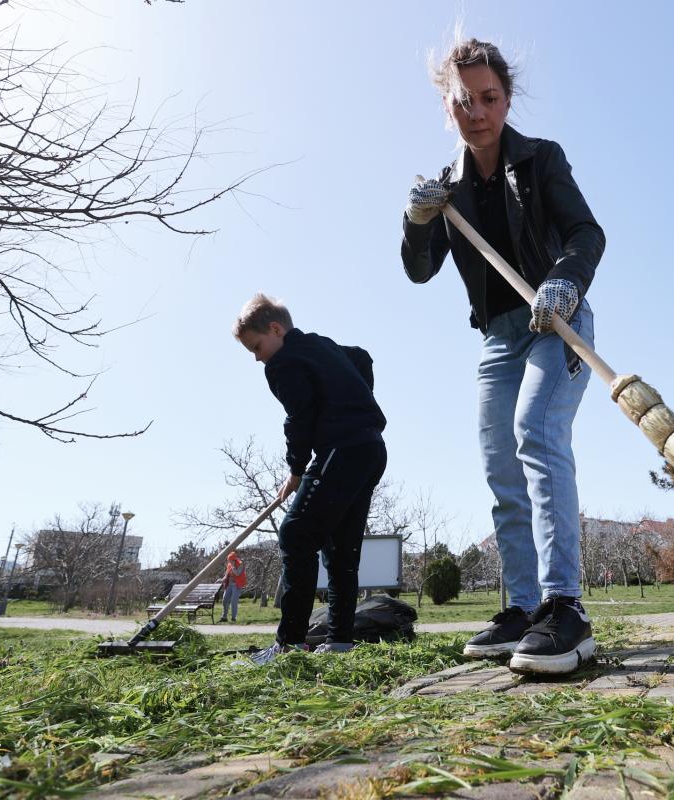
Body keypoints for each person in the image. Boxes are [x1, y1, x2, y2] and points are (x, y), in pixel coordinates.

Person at [401, 38, 603, 675]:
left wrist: (566, 279)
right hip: (497, 337)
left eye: (490, 98)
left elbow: (585, 232)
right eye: (464, 101)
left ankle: (564, 609)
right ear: (448, 107)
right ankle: (520, 609)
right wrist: (417, 219)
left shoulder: (541, 160)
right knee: (500, 466)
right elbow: (419, 269)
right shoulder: (446, 191)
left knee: (536, 434)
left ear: (507, 99)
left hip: (557, 321)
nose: (478, 112)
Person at [233, 293, 387, 663]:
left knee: (295, 534)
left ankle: (289, 644)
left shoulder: (283, 362)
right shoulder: (322, 345)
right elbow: (362, 357)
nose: (257, 358)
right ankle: (339, 640)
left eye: (256, 347)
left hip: (342, 448)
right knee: (340, 550)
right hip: (371, 448)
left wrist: (297, 469)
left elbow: (297, 417)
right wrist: (358, 399)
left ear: (275, 329)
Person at [220, 551, 247, 622]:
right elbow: (226, 575)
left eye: (230, 560)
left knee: (233, 601)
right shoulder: (229, 564)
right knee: (225, 600)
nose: (229, 561)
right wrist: (221, 580)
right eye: (228, 560)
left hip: (237, 585)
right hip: (229, 584)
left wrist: (233, 567)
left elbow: (237, 573)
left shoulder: (240, 564)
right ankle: (224, 617)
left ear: (233, 559)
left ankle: (233, 618)